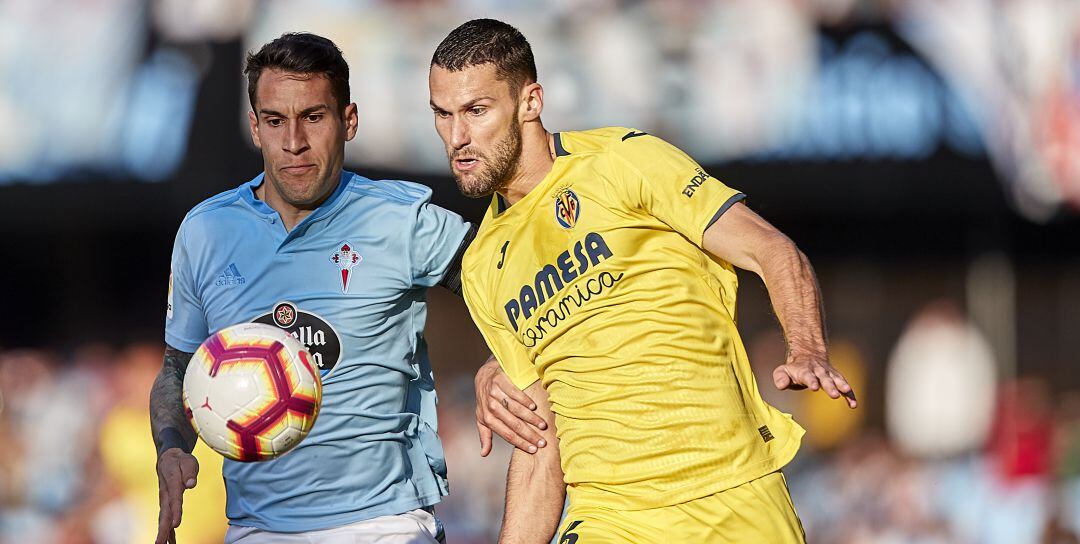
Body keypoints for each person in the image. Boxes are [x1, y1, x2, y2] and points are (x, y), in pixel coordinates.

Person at [429, 19, 859, 543]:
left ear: (530, 102)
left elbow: (771, 249)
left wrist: (808, 347)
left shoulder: (622, 161)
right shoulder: (481, 265)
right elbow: (539, 438)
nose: (457, 137)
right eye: (443, 114)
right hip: (611, 516)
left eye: (476, 111)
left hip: (731, 490)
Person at [150, 32, 474, 544]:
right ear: (254, 127)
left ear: (348, 121)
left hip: (384, 523)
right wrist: (171, 446)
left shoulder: (400, 218)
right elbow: (178, 367)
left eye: (314, 118)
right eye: (275, 121)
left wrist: (508, 358)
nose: (294, 142)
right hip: (257, 528)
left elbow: (504, 285)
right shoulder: (205, 231)